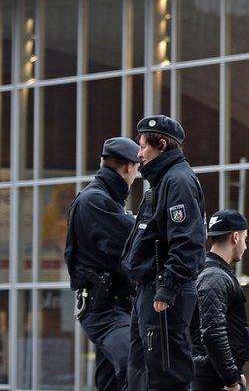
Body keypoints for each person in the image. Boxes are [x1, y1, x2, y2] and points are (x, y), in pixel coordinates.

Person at [121, 115, 207, 390]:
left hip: (165, 293)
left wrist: (167, 288)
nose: (139, 153)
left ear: (161, 144)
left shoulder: (178, 181)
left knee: (166, 375)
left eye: (143, 146)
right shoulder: (162, 182)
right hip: (150, 291)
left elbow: (187, 242)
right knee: (141, 372)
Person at [65, 137, 140, 390]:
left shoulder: (103, 198)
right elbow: (133, 241)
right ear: (129, 167)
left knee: (111, 381)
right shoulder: (96, 201)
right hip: (106, 311)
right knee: (138, 365)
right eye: (137, 168)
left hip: (111, 307)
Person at [190, 209, 249, 391]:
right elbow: (213, 333)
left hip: (216, 375)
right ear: (235, 237)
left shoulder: (211, 273)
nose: (245, 246)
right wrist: (231, 380)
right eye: (245, 238)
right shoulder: (214, 277)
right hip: (214, 379)